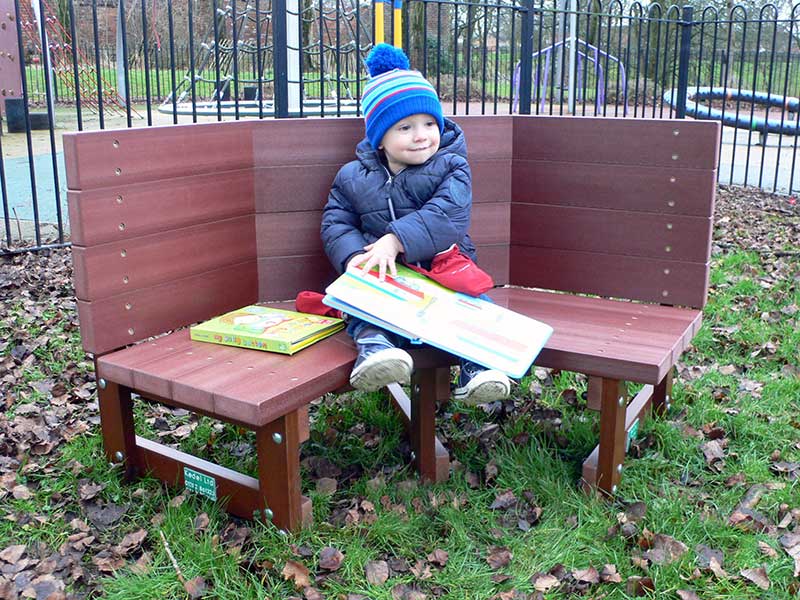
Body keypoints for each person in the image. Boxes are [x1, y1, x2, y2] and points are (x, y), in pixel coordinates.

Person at [321, 43, 511, 404]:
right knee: (361, 308)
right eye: (405, 127)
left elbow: (448, 213)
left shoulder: (451, 166)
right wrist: (351, 259)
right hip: (385, 272)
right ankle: (377, 354)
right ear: (380, 139)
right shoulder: (352, 177)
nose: (421, 135)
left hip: (443, 267)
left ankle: (479, 369)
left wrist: (395, 239)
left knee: (475, 308)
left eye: (428, 123)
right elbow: (336, 221)